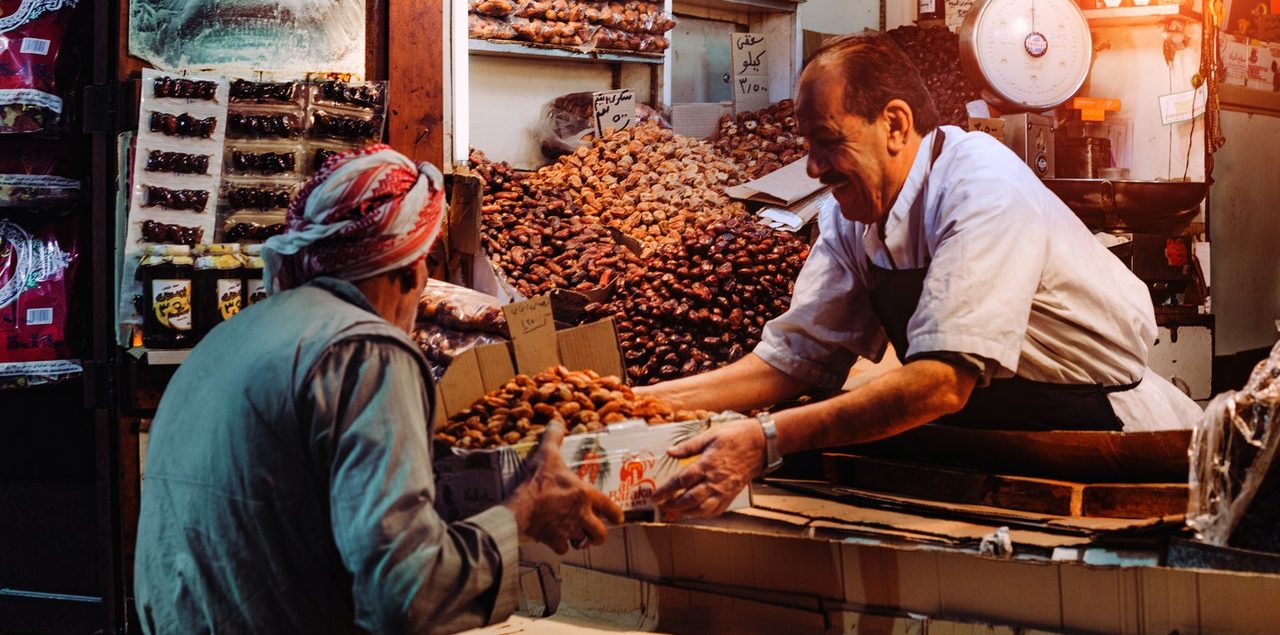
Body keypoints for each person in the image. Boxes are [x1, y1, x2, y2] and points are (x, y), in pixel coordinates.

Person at [644, 32, 1203, 519]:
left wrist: (766, 437)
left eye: (828, 141)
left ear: (894, 124)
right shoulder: (849, 213)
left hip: (1096, 432)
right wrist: (640, 403)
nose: (812, 167)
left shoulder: (978, 185)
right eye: (807, 145)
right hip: (982, 434)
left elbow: (941, 381)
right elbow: (792, 360)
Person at [134, 145, 623, 634]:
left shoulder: (228, 337)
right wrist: (522, 511)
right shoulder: (366, 351)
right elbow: (406, 594)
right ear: (411, 270)